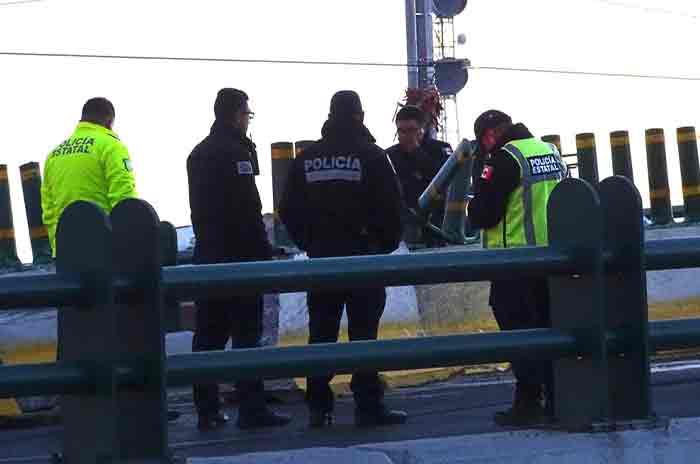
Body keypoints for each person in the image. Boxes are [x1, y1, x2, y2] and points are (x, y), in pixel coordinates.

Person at [279, 90, 407, 428]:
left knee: (321, 334)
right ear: (359, 116)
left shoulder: (307, 159)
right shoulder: (372, 156)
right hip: (364, 262)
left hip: (322, 261)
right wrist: (381, 247)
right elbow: (393, 210)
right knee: (364, 336)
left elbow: (288, 208)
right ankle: (368, 405)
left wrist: (310, 242)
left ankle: (318, 406)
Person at [186, 88, 291, 431]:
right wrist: (264, 251)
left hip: (207, 256)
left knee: (208, 337)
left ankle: (207, 410)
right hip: (240, 259)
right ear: (236, 114)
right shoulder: (237, 154)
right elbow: (247, 210)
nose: (248, 120)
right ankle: (252, 409)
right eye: (248, 114)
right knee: (247, 335)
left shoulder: (198, 153)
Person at [466, 110, 566, 426]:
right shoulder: (548, 150)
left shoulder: (503, 160)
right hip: (553, 258)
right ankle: (558, 399)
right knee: (551, 330)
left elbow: (483, 215)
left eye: (483, 140)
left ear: (490, 134)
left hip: (515, 262)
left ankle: (528, 401)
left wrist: (473, 193)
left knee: (520, 334)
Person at [41, 97, 137, 256]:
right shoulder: (111, 146)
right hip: (105, 250)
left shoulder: (53, 155)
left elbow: (48, 210)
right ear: (109, 121)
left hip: (67, 253)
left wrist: (58, 249)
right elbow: (124, 198)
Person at [386, 106, 444, 244]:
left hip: (435, 224)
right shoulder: (389, 155)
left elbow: (442, 178)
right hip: (402, 226)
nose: (406, 136)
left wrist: (416, 152)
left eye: (411, 130)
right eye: (401, 131)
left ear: (422, 129)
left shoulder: (439, 150)